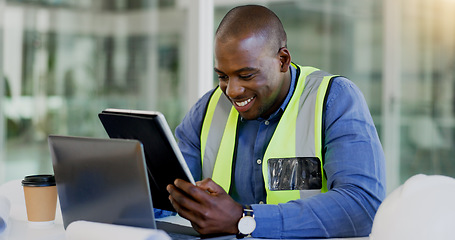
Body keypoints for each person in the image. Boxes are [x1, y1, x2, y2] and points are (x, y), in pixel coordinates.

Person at [166, 4, 386, 239]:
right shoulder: (207, 108)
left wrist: (245, 218)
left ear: (282, 60)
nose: (232, 90)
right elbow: (167, 193)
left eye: (246, 75)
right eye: (222, 76)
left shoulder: (335, 99)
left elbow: (363, 207)